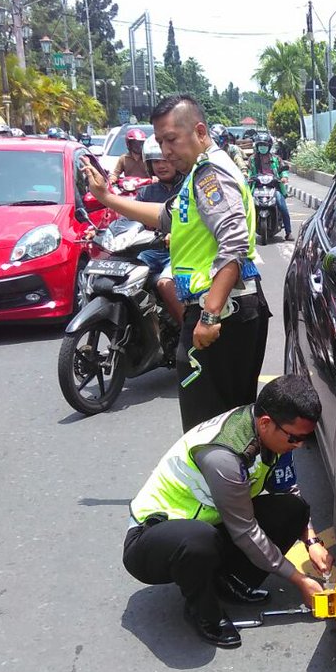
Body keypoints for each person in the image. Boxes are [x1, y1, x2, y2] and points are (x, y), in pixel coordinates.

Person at [81, 93, 270, 431]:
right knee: (224, 430)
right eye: (159, 142)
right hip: (224, 310)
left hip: (222, 313)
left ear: (199, 131)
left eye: (171, 139)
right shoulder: (198, 175)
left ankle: (222, 485)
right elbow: (164, 216)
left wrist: (210, 315)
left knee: (210, 434)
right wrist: (107, 197)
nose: (165, 151)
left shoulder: (210, 175)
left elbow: (235, 241)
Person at [123, 374, 334, 648]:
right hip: (152, 541)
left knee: (294, 510)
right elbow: (245, 530)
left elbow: (288, 488)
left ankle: (228, 579)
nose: (301, 445)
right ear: (266, 424)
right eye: (296, 438)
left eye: (307, 438)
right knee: (198, 540)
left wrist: (312, 541)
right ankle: (203, 612)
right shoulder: (224, 458)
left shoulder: (272, 432)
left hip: (212, 523)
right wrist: (300, 579)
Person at [135, 134, 185, 326]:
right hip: (149, 253)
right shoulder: (145, 192)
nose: (161, 165)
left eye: (165, 160)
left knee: (165, 285)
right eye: (155, 161)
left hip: (178, 253)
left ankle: (187, 333)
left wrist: (176, 235)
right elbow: (128, 221)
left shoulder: (186, 189)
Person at [248, 132, 293, 240]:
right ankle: (245, 234)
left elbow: (283, 170)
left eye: (265, 145)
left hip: (274, 187)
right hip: (257, 187)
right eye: (260, 145)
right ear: (257, 146)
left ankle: (288, 232)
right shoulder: (252, 159)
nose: (262, 148)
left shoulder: (276, 159)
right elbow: (248, 171)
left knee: (283, 207)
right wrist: (247, 177)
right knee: (247, 208)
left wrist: (284, 177)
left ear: (269, 146)